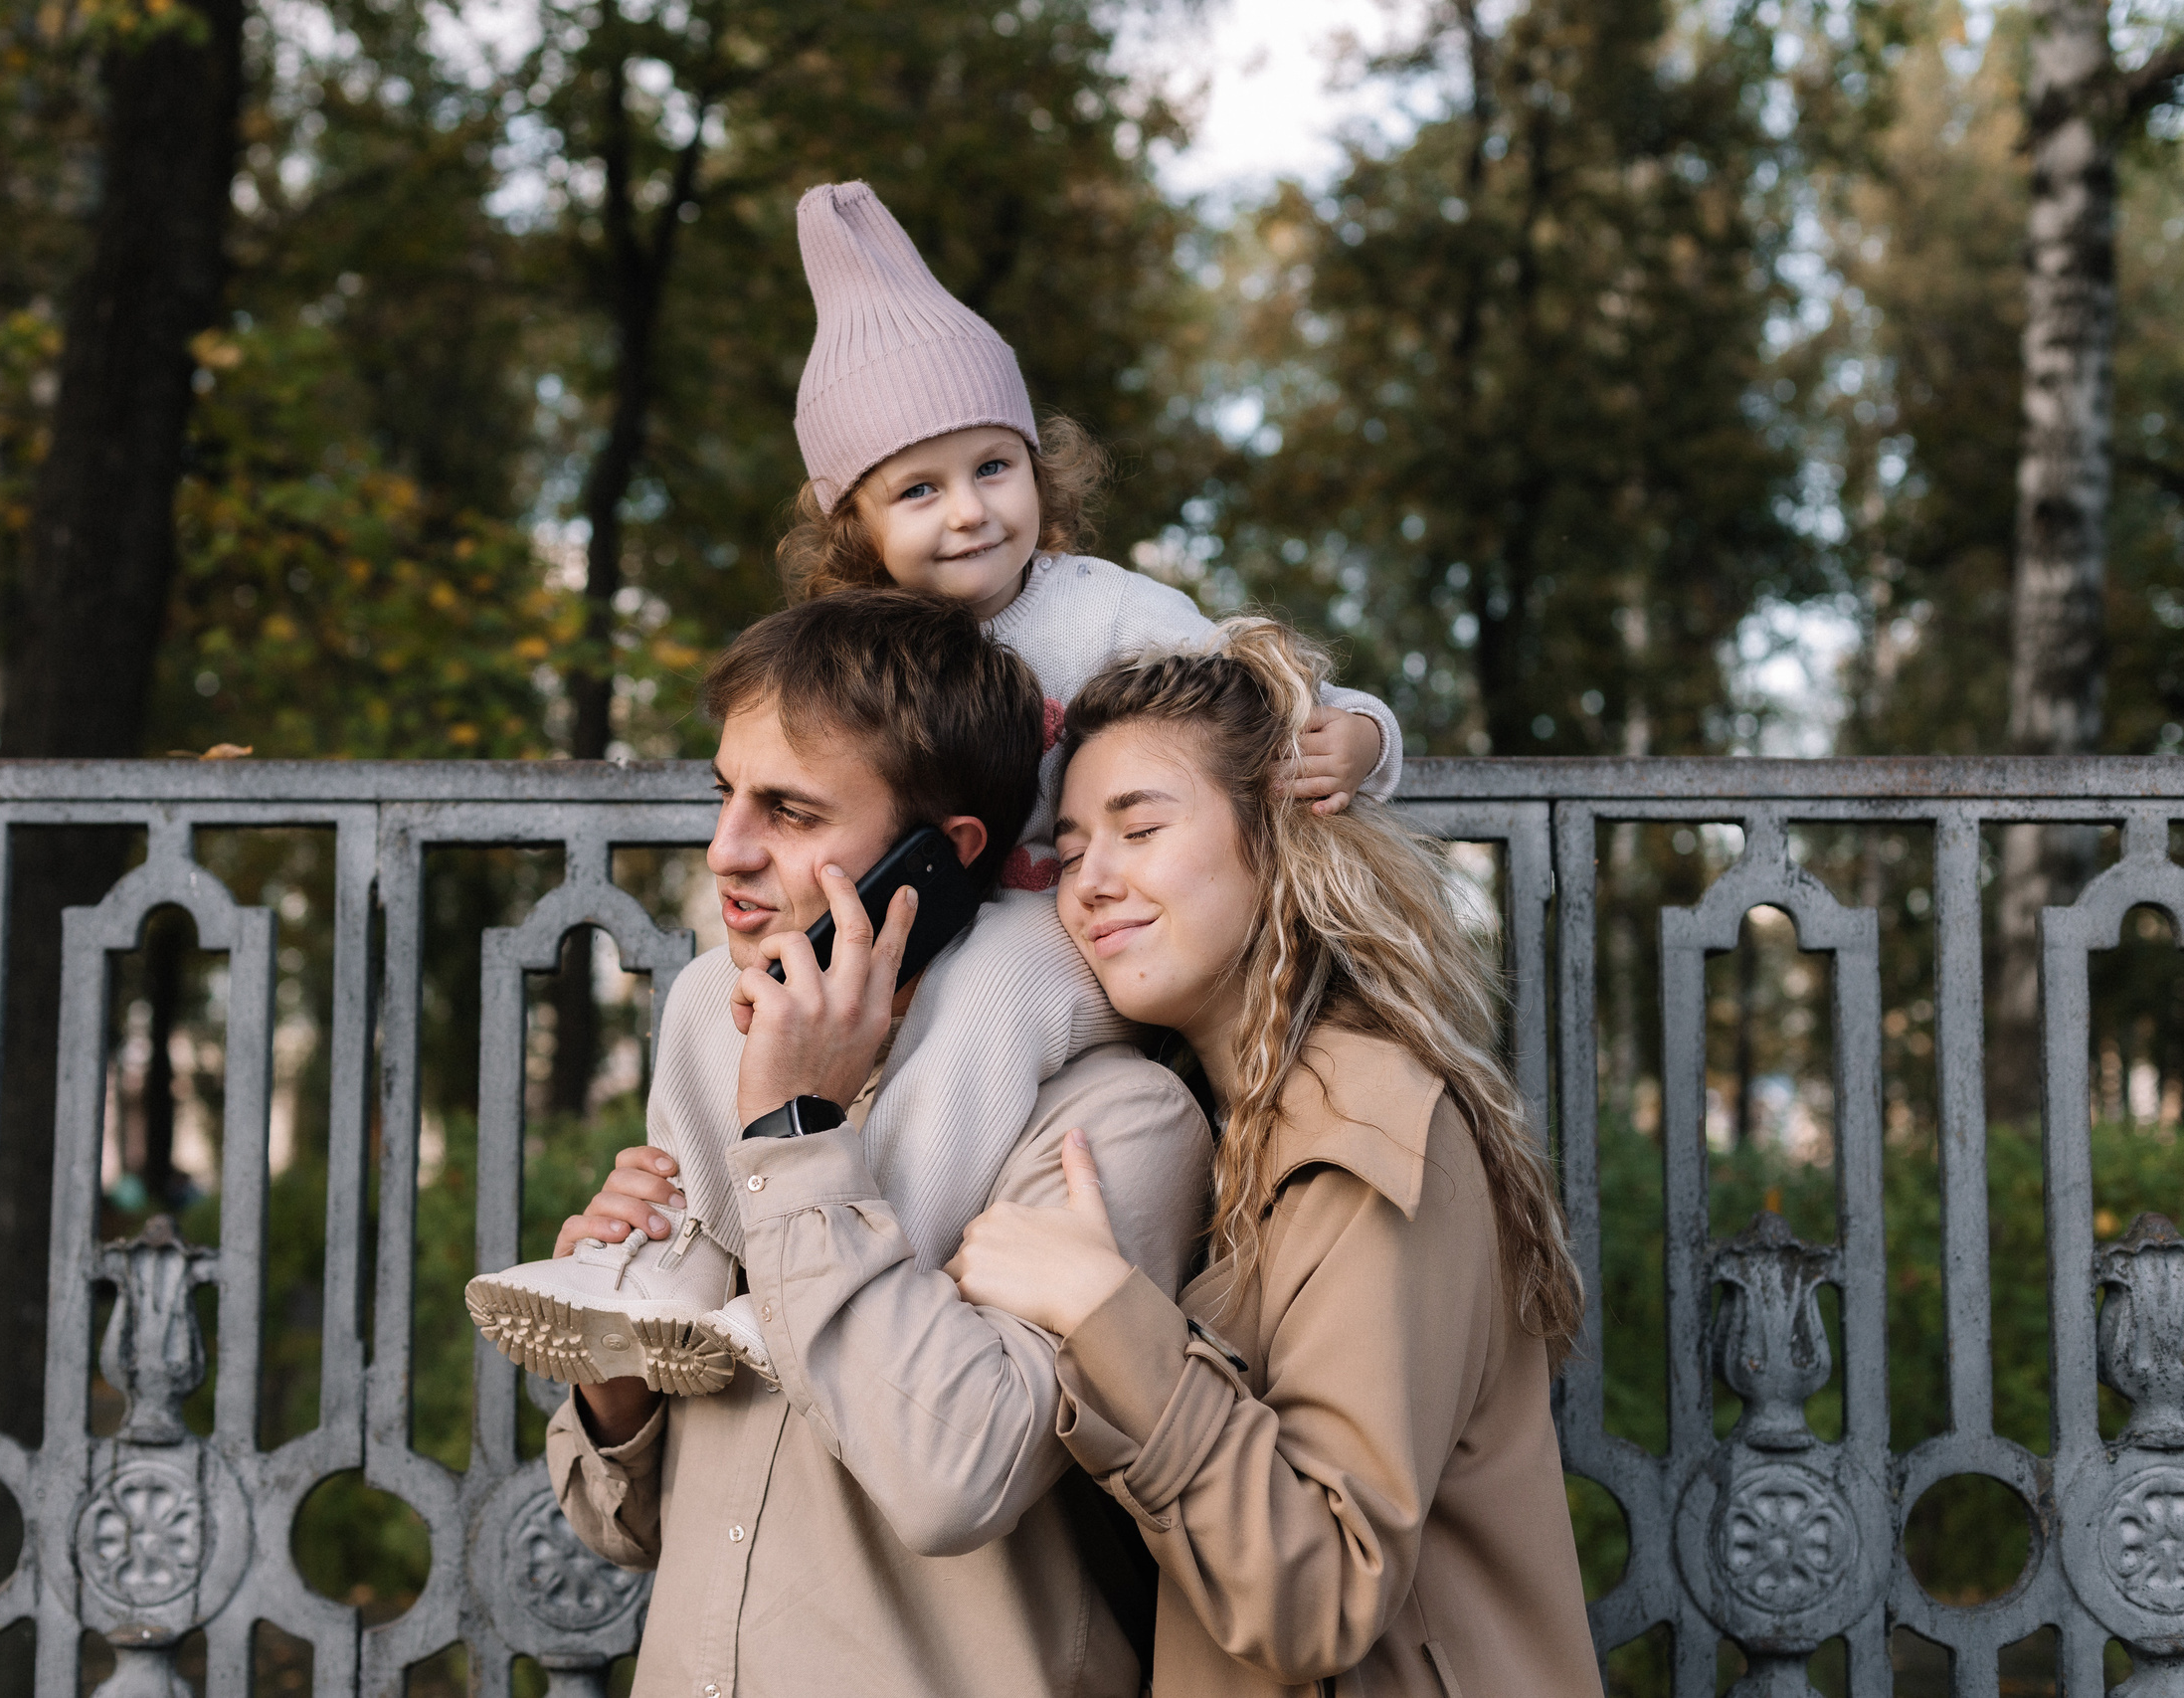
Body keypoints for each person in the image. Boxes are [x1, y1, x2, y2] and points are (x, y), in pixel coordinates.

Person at [466, 179, 1400, 1386]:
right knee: (721, 989)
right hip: (912, 922)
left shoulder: (1114, 611)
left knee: (993, 980)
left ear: (1039, 468)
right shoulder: (859, 642)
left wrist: (1360, 737)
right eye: (918, 488)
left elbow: (1260, 698)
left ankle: (855, 1256)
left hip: (1069, 927)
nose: (967, 513)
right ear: (847, 512)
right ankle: (685, 1261)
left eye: (993, 469)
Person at [533, 587, 1216, 1698]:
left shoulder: (1111, 1124)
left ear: (940, 856)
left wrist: (799, 1136)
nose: (725, 850)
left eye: (791, 814)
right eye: (726, 796)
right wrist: (622, 1370)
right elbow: (633, 1530)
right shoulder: (725, 1050)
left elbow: (952, 1478)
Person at [947, 619, 1601, 1697]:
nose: (1090, 882)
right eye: (1068, 852)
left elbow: (1320, 1596)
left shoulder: (1366, 1132)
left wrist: (1102, 1309)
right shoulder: (1203, 1129)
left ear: (1275, 837)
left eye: (1139, 829)